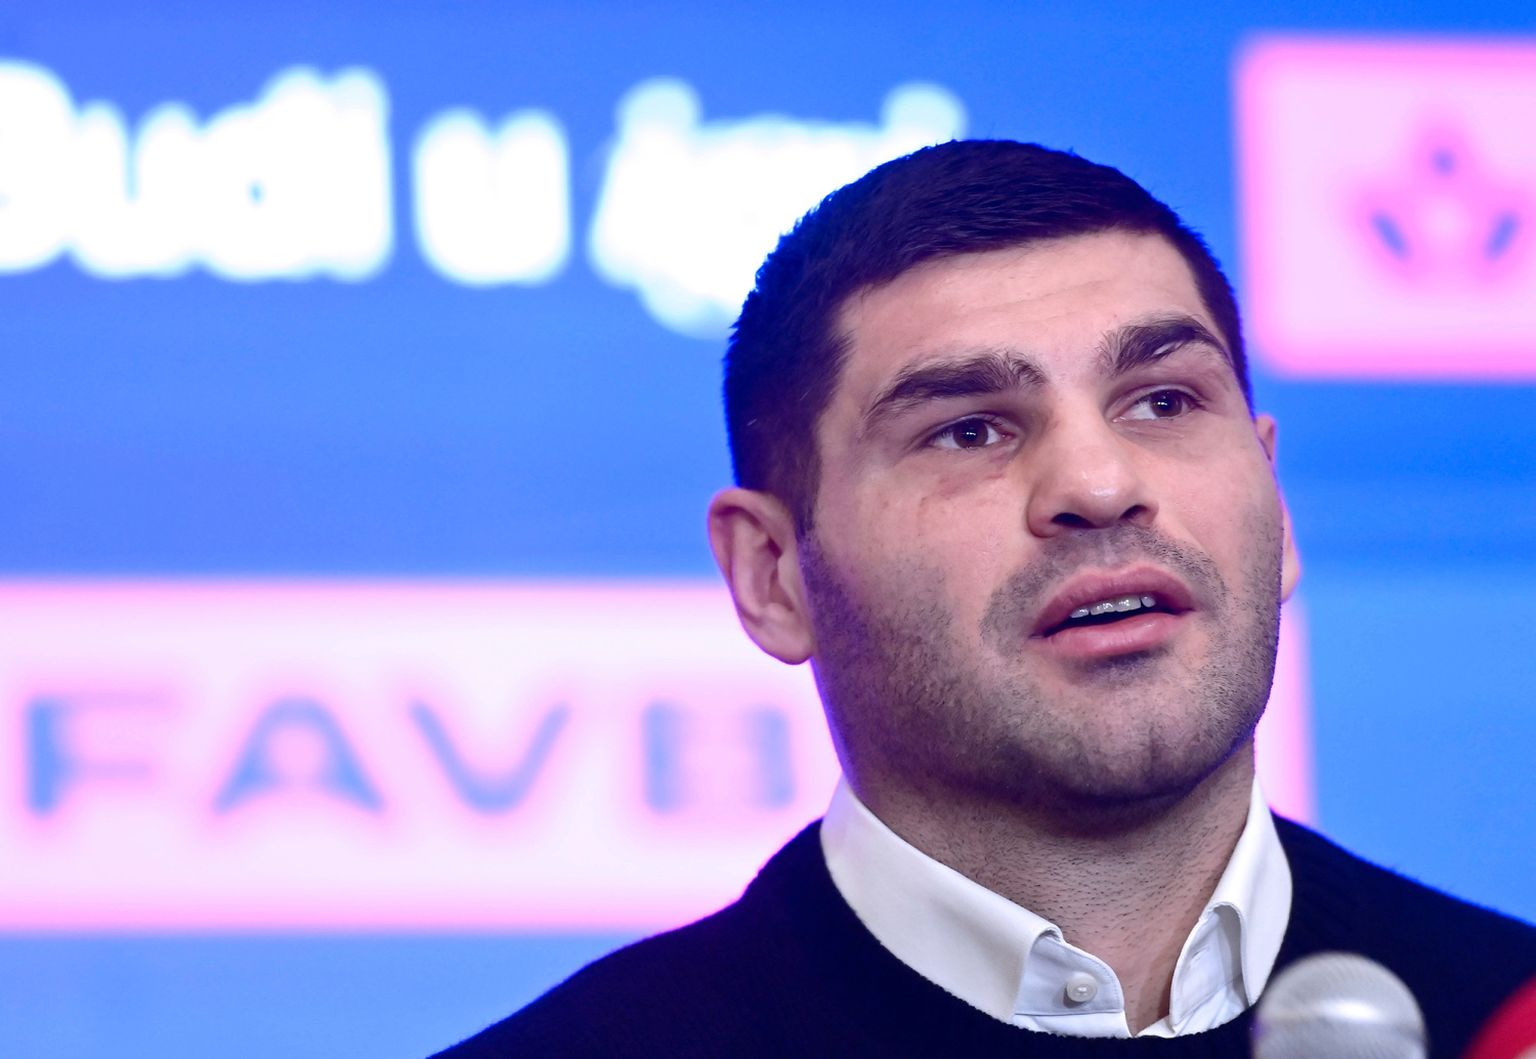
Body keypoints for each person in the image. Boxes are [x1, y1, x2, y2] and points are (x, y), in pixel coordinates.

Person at [434, 140, 1536, 1057]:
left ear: (1277, 506)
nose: (1098, 485)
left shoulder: (1502, 1016)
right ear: (772, 575)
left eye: (1162, 401)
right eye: (968, 430)